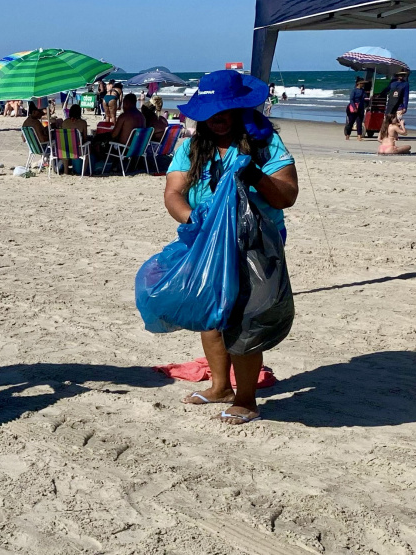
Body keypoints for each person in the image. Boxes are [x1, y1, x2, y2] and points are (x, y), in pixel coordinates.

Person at [164, 70, 298, 424]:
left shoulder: (266, 145)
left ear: (240, 108)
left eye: (225, 111)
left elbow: (287, 196)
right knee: (211, 313)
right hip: (206, 240)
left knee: (247, 318)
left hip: (255, 243)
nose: (218, 119)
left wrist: (253, 173)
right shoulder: (191, 147)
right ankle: (220, 386)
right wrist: (192, 218)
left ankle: (247, 398)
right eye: (210, 112)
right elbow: (173, 192)